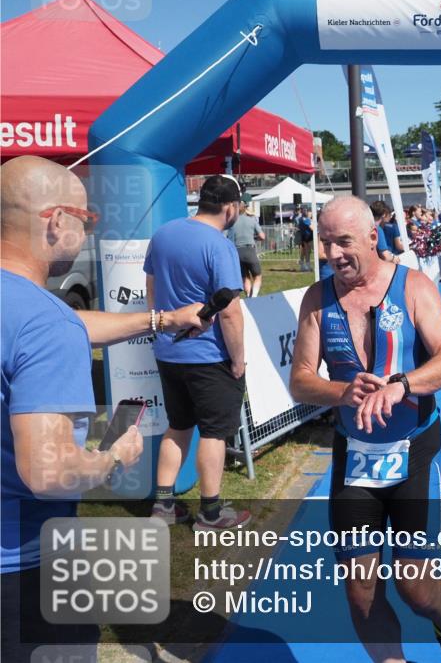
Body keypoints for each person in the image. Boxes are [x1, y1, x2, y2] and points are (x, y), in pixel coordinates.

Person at [1, 156, 209, 659]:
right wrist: (114, 456)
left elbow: (61, 329)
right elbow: (48, 473)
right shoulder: (46, 326)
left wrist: (159, 319)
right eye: (86, 217)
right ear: (56, 221)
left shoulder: (36, 315)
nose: (88, 228)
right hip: (25, 571)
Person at [289, 197, 441, 663]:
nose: (333, 254)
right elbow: (300, 380)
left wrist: (402, 385)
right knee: (360, 592)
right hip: (355, 459)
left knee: (414, 587)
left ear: (373, 238)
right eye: (326, 242)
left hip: (411, 451)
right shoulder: (318, 299)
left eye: (344, 242)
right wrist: (341, 392)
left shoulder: (412, 286)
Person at [146, 175, 250, 530]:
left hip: (168, 351)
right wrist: (238, 360)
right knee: (213, 433)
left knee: (177, 427)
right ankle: (210, 512)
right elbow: (231, 311)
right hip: (209, 356)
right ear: (230, 208)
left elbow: (152, 286)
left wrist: (162, 326)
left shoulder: (164, 234)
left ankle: (163, 506)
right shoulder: (219, 245)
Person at [228, 200, 266, 297]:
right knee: (257, 276)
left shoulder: (231, 223)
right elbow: (262, 236)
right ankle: (253, 297)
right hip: (249, 251)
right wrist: (254, 238)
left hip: (237, 252)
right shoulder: (252, 221)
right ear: (245, 208)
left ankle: (248, 297)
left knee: (245, 278)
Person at [298, 206, 314, 272]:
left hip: (305, 237)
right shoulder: (305, 220)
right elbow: (312, 228)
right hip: (308, 237)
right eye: (307, 211)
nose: (309, 212)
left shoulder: (301, 219)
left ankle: (306, 266)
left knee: (306, 252)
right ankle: (306, 266)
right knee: (308, 252)